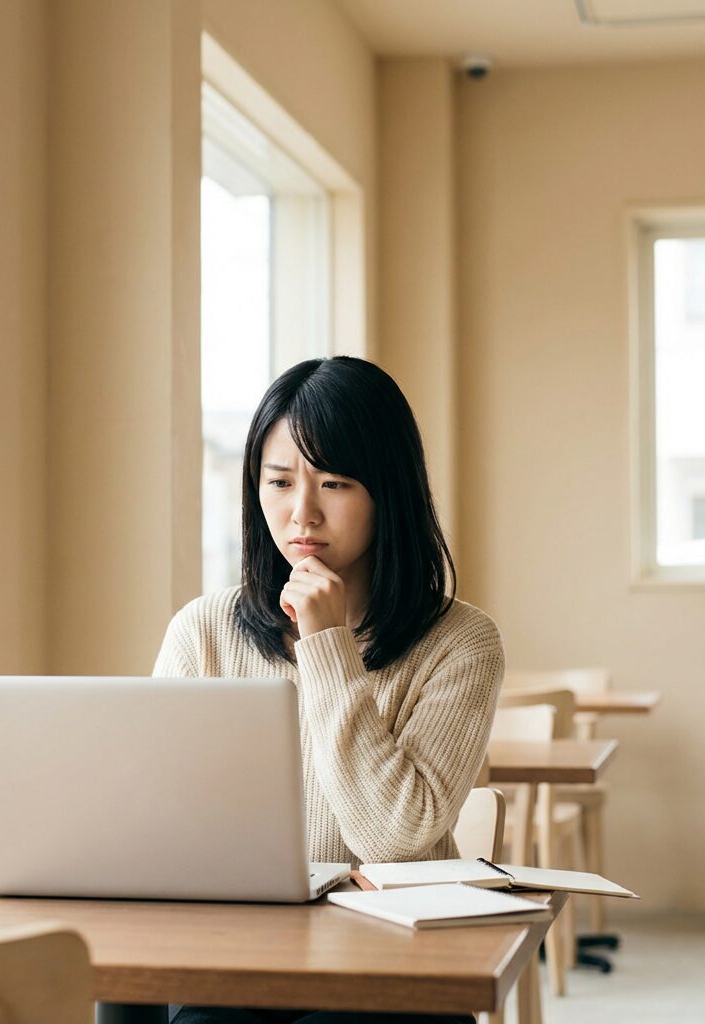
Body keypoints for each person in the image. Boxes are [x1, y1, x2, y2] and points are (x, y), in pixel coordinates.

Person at [154, 356, 504, 1024]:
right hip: (240, 948)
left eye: (335, 483)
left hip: (393, 957)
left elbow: (392, 839)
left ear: (388, 490)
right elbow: (154, 816)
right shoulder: (203, 630)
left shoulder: (462, 643)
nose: (301, 513)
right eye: (280, 481)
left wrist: (326, 646)